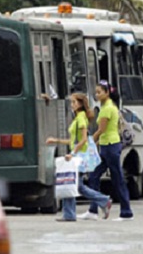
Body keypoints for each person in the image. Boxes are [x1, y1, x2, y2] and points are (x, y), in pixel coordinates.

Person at [46, 92, 112, 222]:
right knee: (74, 184)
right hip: (77, 155)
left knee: (75, 184)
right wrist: (56, 140)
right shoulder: (78, 118)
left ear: (81, 104)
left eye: (74, 102)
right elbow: (72, 140)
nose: (72, 105)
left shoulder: (81, 119)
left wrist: (73, 153)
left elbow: (83, 140)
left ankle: (103, 201)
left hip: (79, 157)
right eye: (71, 102)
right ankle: (70, 213)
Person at [78, 80, 134, 221]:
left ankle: (126, 212)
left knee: (117, 179)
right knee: (94, 176)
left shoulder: (107, 108)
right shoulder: (108, 106)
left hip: (110, 146)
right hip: (106, 147)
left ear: (107, 92)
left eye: (99, 92)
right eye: (96, 92)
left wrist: (90, 142)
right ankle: (93, 210)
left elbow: (101, 130)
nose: (97, 95)